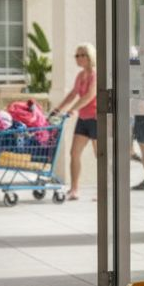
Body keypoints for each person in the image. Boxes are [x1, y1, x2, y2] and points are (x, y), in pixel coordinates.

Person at [53, 43, 98, 201]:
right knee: (74, 153)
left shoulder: (95, 75)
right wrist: (59, 108)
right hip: (83, 120)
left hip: (96, 118)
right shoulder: (80, 76)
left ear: (89, 57)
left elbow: (90, 96)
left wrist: (73, 109)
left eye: (81, 55)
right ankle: (74, 189)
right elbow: (73, 94)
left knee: (100, 155)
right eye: (76, 55)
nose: (77, 58)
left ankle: (105, 190)